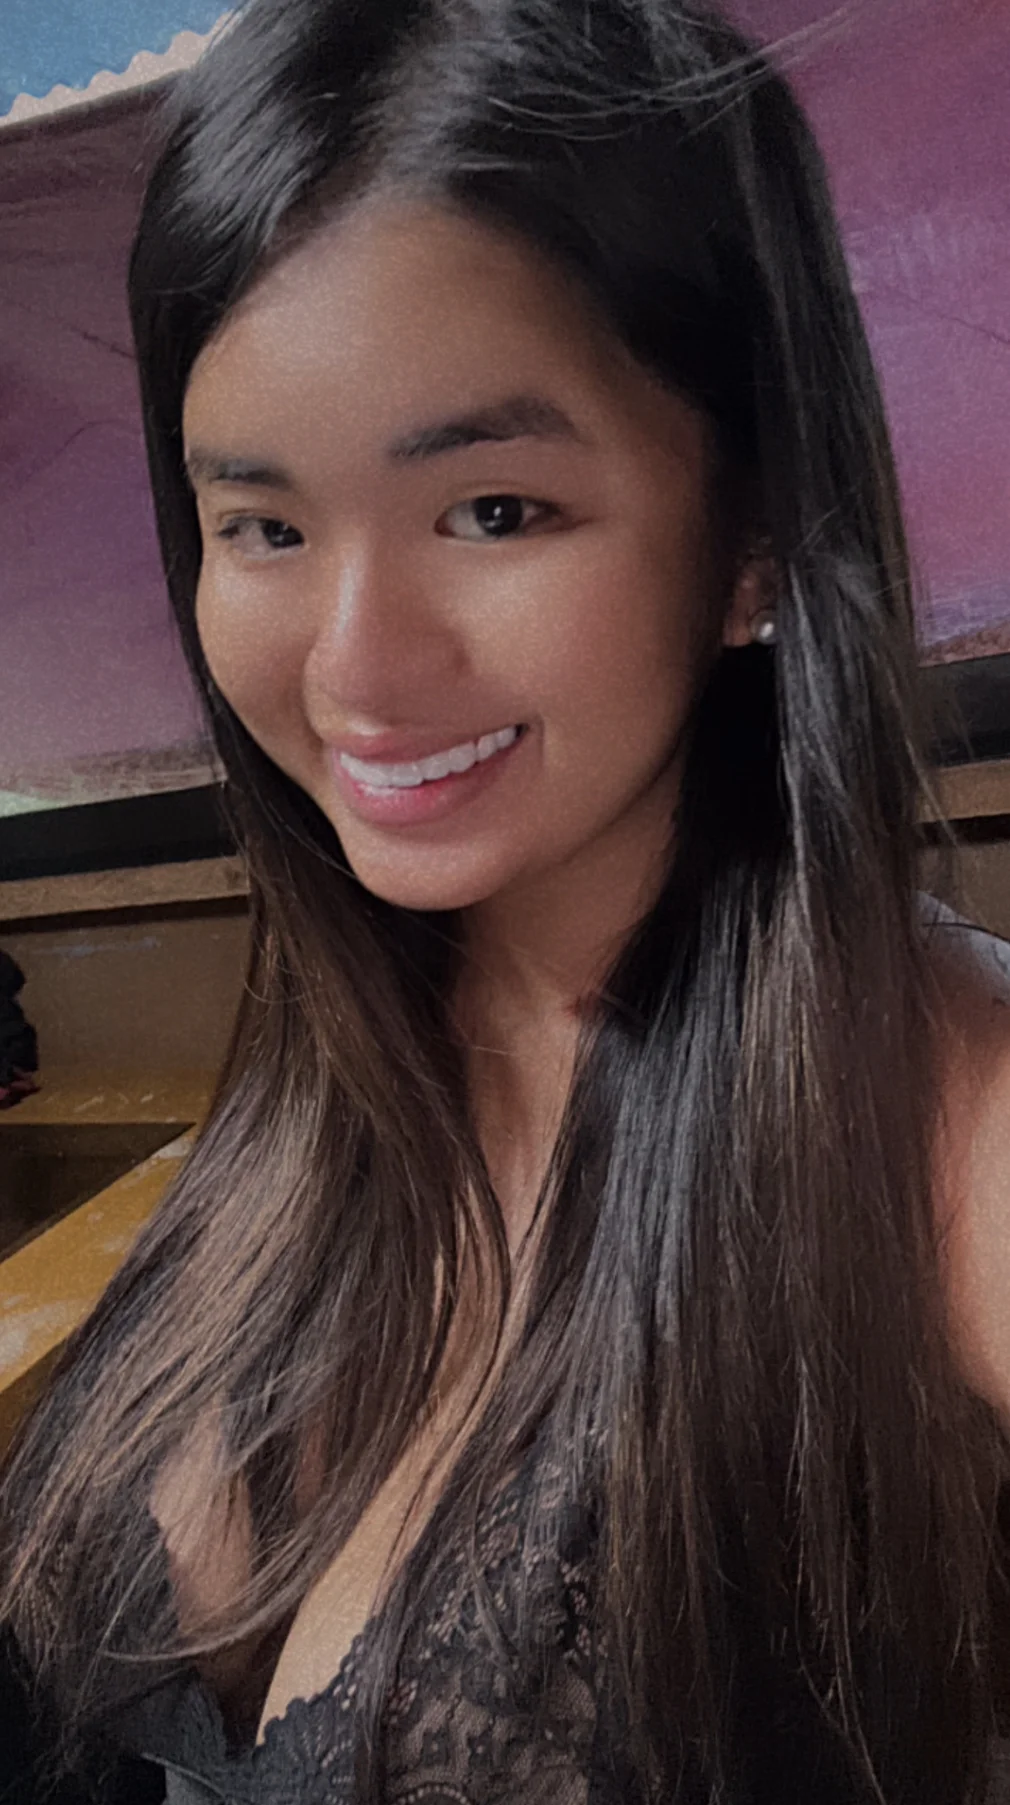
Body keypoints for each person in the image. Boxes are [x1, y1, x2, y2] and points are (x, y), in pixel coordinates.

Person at [3, 0, 1010, 1799]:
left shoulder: (938, 1118)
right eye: (264, 527)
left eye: (492, 511)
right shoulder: (339, 1060)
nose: (354, 668)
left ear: (751, 531)